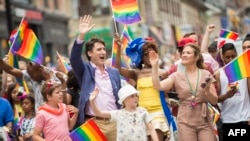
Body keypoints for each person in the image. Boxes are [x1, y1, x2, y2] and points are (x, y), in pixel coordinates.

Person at [150, 43, 218, 141]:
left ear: (196, 57)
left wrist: (207, 91)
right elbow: (158, 86)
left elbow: (215, 101)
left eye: (188, 53)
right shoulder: (176, 76)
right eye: (183, 53)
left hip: (204, 120)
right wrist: (154, 66)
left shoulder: (206, 74)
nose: (184, 55)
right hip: (185, 121)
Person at [69, 15, 121, 141]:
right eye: (99, 49)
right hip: (94, 123)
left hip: (115, 122)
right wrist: (81, 36)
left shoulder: (113, 73)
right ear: (90, 53)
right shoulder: (85, 70)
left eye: (104, 49)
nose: (103, 52)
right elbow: (74, 59)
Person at [114, 35, 169, 140]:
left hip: (158, 112)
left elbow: (166, 94)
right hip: (141, 113)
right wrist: (118, 49)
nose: (149, 56)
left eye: (152, 53)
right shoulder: (137, 73)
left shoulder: (163, 73)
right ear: (141, 57)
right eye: (146, 54)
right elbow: (118, 69)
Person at [89, 84, 159, 141]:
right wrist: (92, 101)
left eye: (136, 96)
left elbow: (152, 129)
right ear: (124, 99)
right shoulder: (118, 114)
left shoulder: (143, 111)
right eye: (132, 96)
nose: (136, 98)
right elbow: (99, 113)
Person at [0, 58, 67, 111]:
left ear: (40, 70)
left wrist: (63, 83)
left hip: (55, 121)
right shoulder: (31, 73)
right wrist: (2, 62)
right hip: (40, 121)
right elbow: (11, 70)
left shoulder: (59, 79)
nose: (30, 77)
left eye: (32, 75)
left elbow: (65, 103)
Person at [214, 43, 250, 140]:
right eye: (227, 57)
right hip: (228, 120)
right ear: (222, 57)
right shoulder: (218, 74)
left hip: (245, 118)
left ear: (237, 54)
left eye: (233, 56)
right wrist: (226, 95)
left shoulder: (245, 70)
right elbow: (215, 99)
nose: (230, 60)